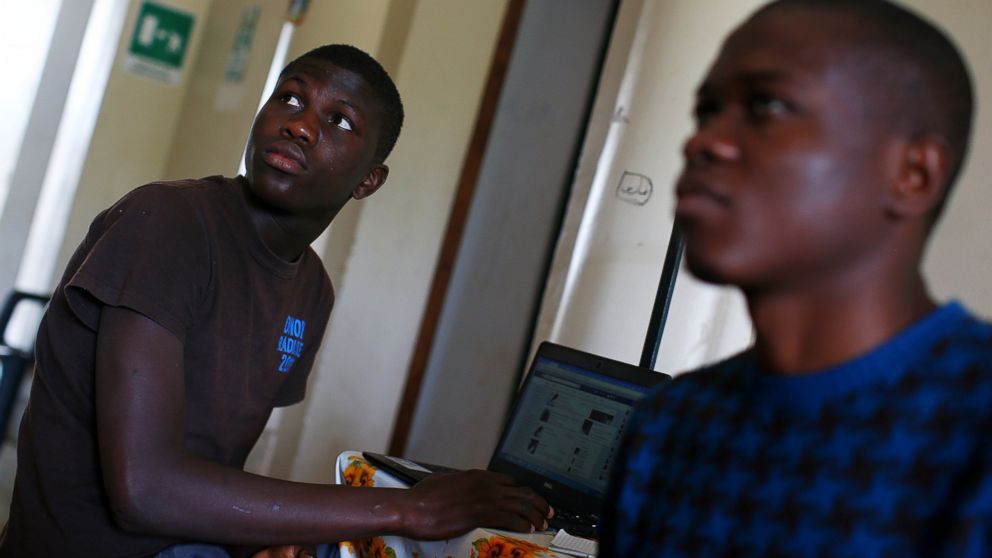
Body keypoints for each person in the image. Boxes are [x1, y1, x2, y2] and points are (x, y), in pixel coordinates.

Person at [0, 44, 550, 558]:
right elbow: (145, 489)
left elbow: (213, 463)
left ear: (369, 181)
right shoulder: (167, 223)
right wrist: (410, 508)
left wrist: (253, 541)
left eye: (340, 121)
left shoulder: (311, 290)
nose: (301, 125)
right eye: (290, 97)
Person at [599, 0, 988, 556]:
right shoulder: (669, 427)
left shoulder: (975, 426)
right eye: (707, 111)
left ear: (911, 174)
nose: (703, 141)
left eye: (767, 106)